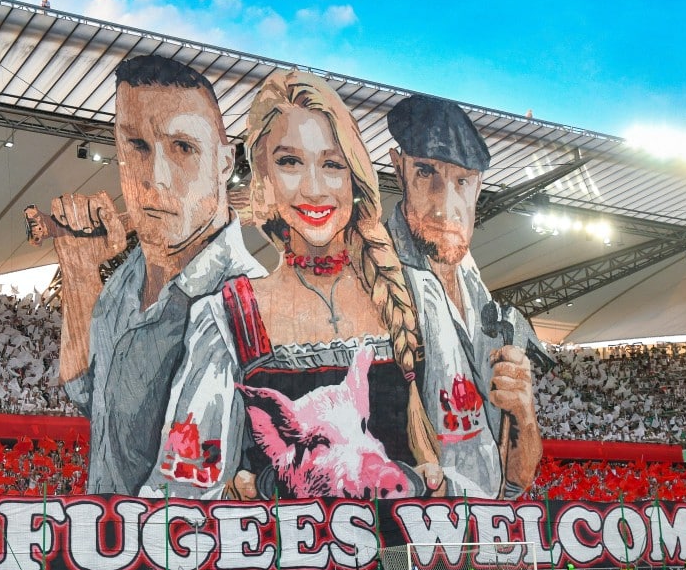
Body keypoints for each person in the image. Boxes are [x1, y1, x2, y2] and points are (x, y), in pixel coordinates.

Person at [140, 70, 442, 500]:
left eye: (332, 165)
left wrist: (437, 478)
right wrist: (240, 489)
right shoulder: (227, 316)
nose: (314, 189)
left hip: (402, 541)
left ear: (354, 177)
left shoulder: (418, 298)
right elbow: (185, 489)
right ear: (263, 178)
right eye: (289, 162)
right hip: (290, 545)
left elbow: (473, 468)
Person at [25, 55, 265, 497]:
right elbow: (87, 395)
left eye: (183, 148)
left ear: (225, 161)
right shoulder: (126, 279)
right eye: (137, 145)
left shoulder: (246, 299)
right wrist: (79, 273)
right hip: (110, 535)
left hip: (168, 541)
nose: (156, 178)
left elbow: (184, 494)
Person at [385, 95, 553, 498]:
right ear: (398, 167)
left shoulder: (481, 294)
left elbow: (518, 479)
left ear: (479, 186)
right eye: (426, 172)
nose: (446, 205)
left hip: (485, 523)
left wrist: (524, 416)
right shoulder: (377, 276)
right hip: (416, 525)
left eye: (462, 181)